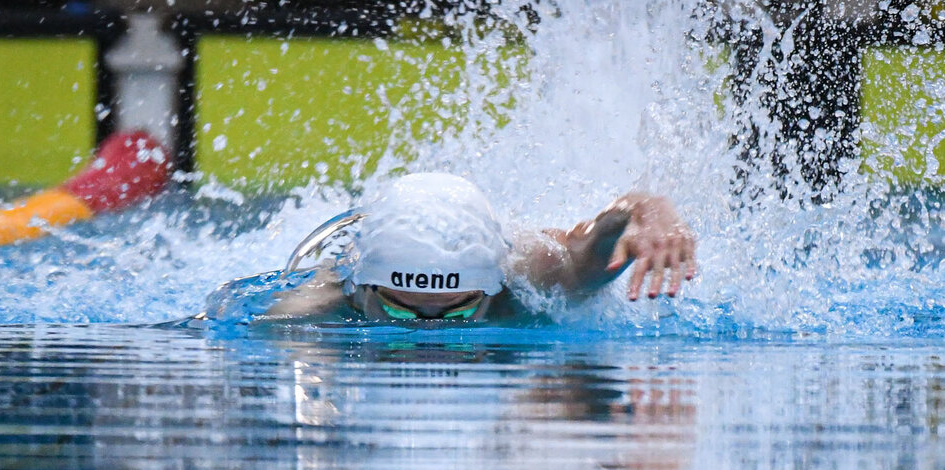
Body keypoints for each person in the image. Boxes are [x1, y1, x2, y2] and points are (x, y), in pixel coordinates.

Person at [213, 173, 697, 323]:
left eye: (459, 310)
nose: (430, 336)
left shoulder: (529, 275)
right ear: (361, 290)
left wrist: (647, 213)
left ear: (494, 287)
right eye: (400, 310)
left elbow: (596, 241)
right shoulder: (313, 306)